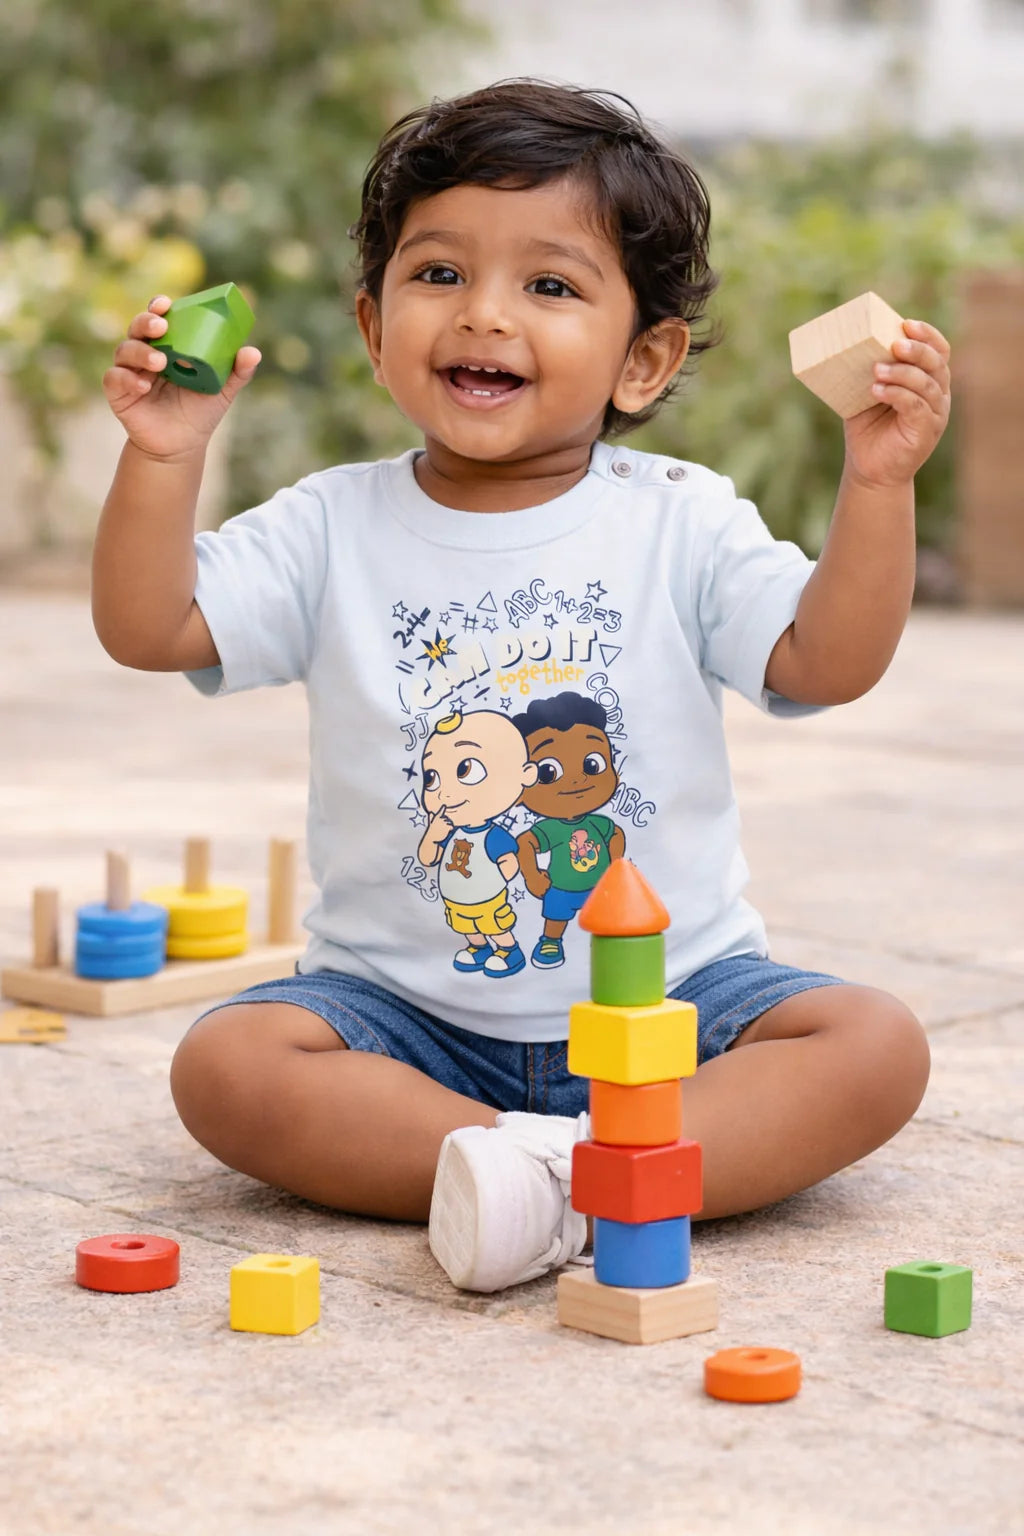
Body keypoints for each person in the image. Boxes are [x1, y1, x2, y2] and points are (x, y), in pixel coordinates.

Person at [94, 80, 947, 1295]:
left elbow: (829, 659)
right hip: (400, 1023)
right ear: (371, 323)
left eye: (549, 286)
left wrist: (877, 484)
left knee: (872, 1046)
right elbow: (150, 625)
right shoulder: (331, 522)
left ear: (643, 360)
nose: (484, 316)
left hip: (670, 1006)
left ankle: (537, 1182)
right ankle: (574, 1174)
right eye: (438, 274)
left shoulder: (680, 518)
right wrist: (163, 456)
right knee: (228, 1065)